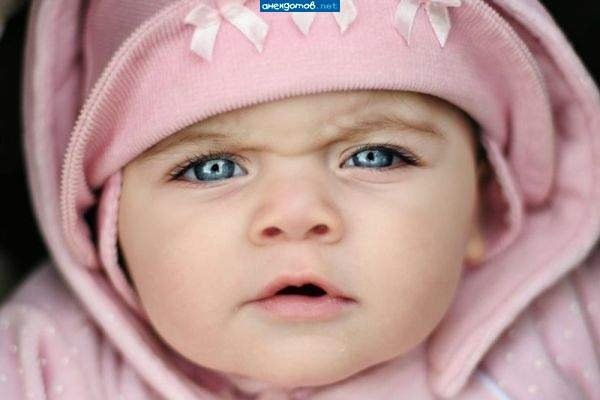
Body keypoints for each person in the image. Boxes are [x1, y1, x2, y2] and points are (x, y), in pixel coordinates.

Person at [1, 0, 599, 398]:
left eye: (375, 157)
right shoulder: (41, 367)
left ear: (486, 205)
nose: (296, 216)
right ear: (109, 224)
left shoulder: (570, 327)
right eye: (212, 168)